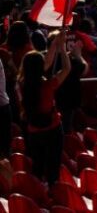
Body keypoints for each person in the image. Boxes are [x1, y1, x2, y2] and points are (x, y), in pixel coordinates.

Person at [20, 33, 71, 184]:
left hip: (33, 131)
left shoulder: (22, 84)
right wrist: (61, 48)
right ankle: (52, 191)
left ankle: (39, 195)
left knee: (37, 164)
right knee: (53, 165)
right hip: (52, 129)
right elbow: (67, 68)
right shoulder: (47, 86)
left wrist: (55, 44)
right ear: (40, 68)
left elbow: (42, 65)